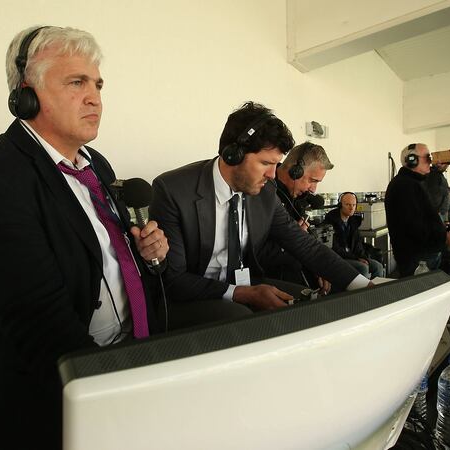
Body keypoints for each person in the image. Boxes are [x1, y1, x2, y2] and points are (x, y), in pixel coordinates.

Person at [0, 26, 168, 450]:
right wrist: (119, 390)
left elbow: (104, 258)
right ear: (26, 96)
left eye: (98, 85)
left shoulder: (96, 165)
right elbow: (40, 325)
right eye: (76, 82)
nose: (95, 98)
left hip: (134, 361)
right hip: (67, 395)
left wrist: (148, 253)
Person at [149, 101, 369, 328]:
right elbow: (174, 280)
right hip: (191, 295)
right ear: (233, 155)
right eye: (266, 163)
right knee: (245, 320)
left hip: (245, 283)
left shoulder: (265, 193)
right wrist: (243, 293)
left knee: (309, 307)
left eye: (276, 164)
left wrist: (365, 287)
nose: (273, 174)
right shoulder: (173, 190)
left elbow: (305, 245)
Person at [257, 142, 334, 287]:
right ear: (295, 171)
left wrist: (318, 267)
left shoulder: (298, 199)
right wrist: (292, 238)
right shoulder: (261, 191)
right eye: (312, 180)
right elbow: (256, 252)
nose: (313, 189)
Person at [385, 143, 450, 277]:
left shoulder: (411, 182)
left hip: (421, 255)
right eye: (427, 158)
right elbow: (414, 226)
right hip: (418, 258)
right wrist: (443, 238)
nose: (431, 161)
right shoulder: (405, 186)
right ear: (412, 160)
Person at [323, 192, 384, 279]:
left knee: (378, 267)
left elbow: (358, 243)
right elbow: (335, 248)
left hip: (353, 256)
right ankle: (363, 288)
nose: (351, 208)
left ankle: (376, 288)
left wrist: (363, 257)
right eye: (348, 205)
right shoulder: (331, 221)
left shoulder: (353, 221)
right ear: (340, 205)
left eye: (354, 205)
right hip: (339, 258)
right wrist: (356, 259)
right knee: (363, 267)